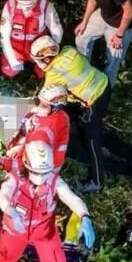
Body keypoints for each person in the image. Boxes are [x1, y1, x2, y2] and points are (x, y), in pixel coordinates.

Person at [0, 130, 95, 262]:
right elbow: (2, 197)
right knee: (5, 257)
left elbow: (72, 199)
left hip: (44, 232)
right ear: (26, 165)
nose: (41, 178)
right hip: (15, 230)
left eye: (45, 173)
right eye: (36, 173)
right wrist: (11, 212)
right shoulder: (15, 177)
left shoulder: (53, 180)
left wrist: (85, 216)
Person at [30, 35, 110, 192]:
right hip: (104, 84)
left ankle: (97, 181)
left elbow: (45, 98)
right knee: (85, 123)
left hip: (93, 100)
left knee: (92, 141)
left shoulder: (54, 76)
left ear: (45, 59)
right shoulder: (68, 50)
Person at [0, 0, 63, 79]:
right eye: (22, 3)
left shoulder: (45, 6)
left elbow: (56, 30)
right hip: (16, 48)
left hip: (39, 48)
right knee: (9, 70)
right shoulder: (10, 6)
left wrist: (51, 49)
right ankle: (18, 68)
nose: (26, 8)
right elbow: (4, 36)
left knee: (46, 71)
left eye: (30, 3)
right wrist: (12, 59)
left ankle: (38, 71)